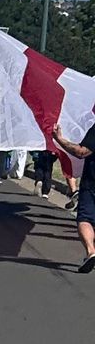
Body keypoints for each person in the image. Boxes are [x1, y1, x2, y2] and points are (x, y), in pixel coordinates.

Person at [54, 110, 95, 275]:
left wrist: (60, 140)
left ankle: (91, 251)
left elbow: (81, 152)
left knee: (85, 218)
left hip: (92, 183)